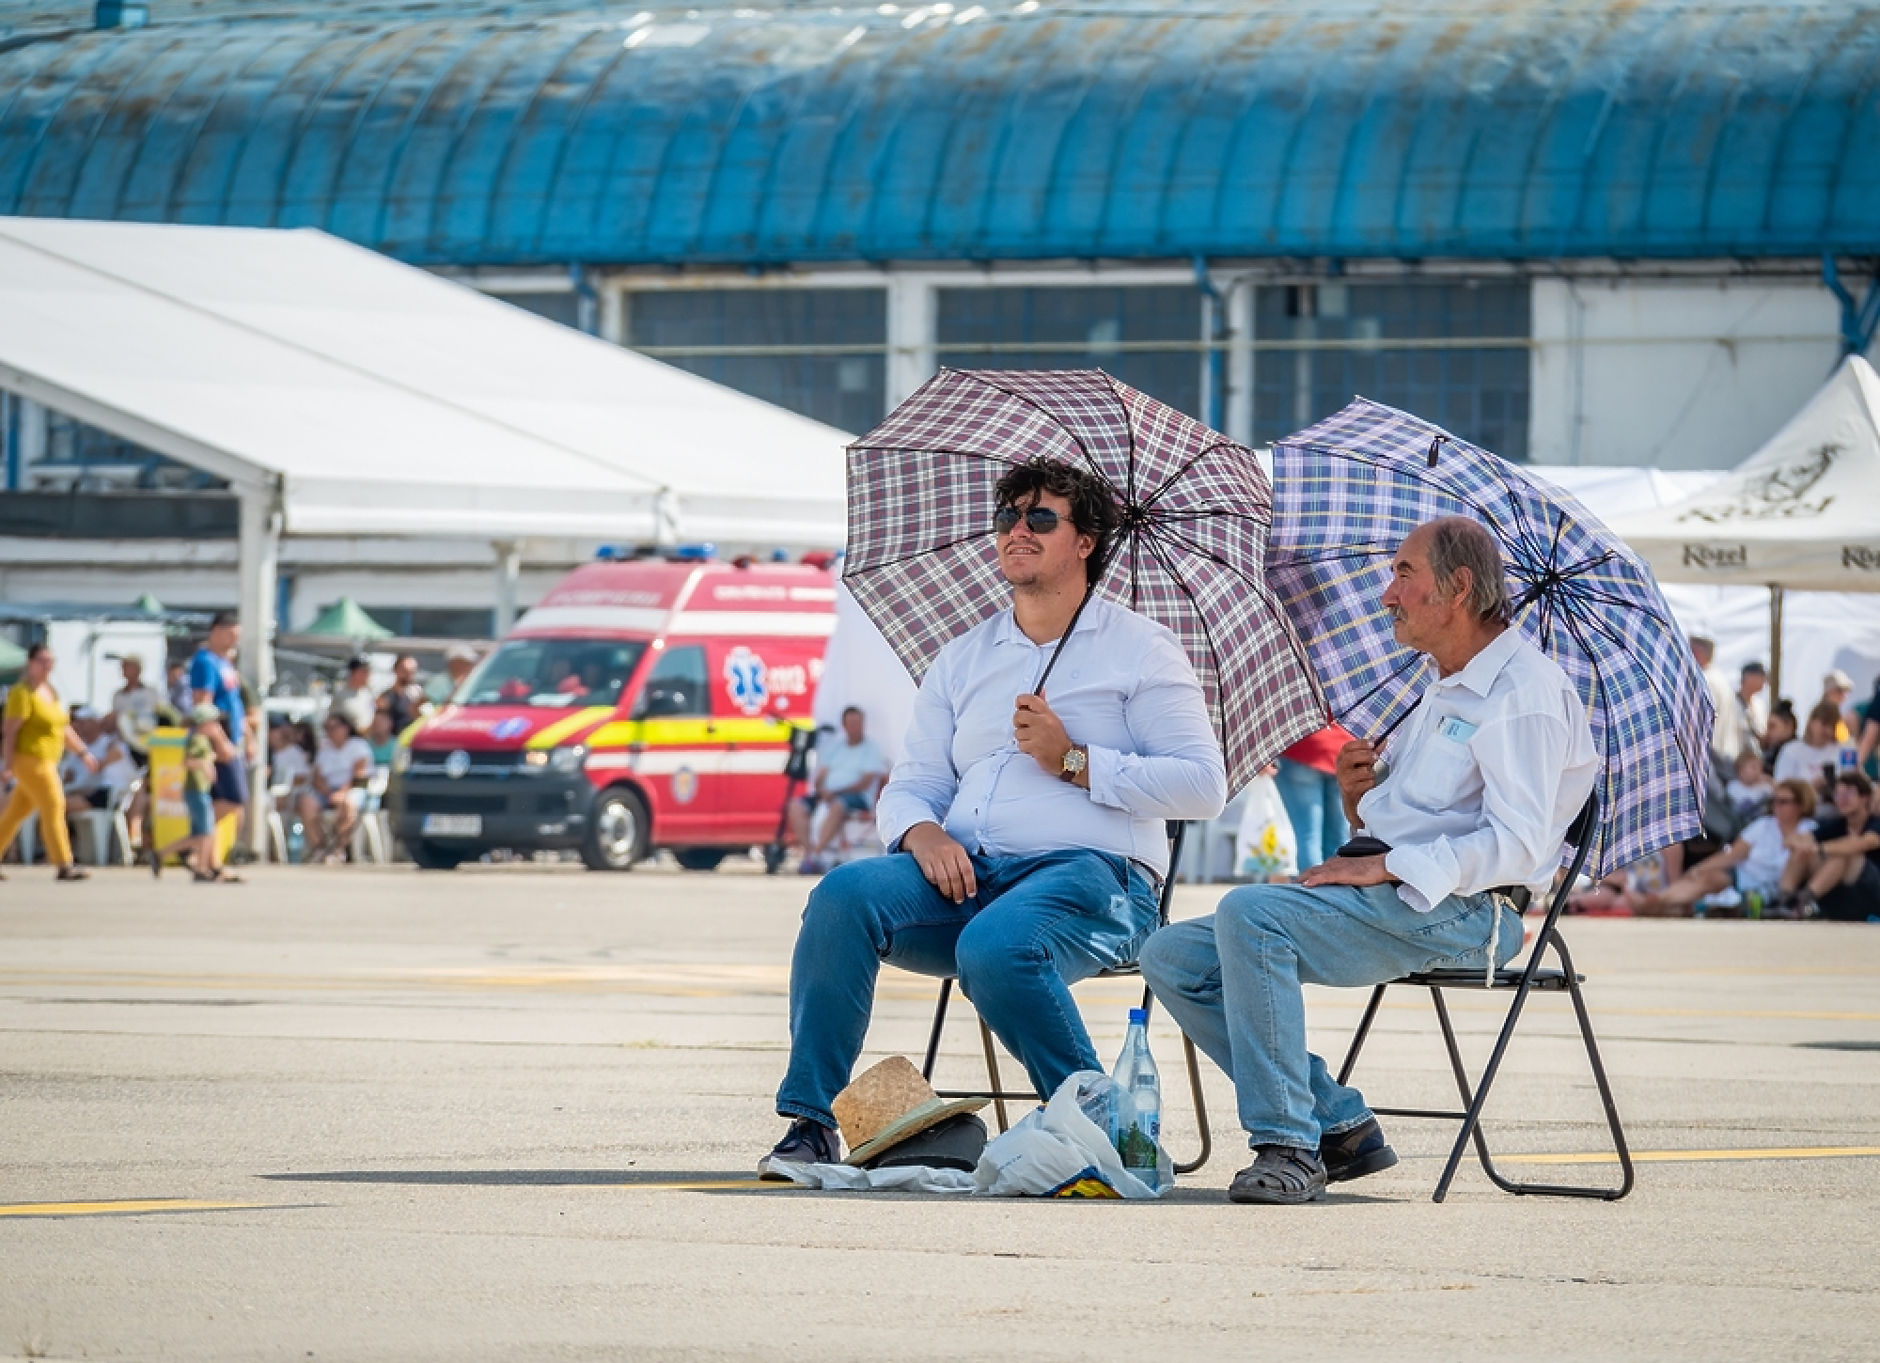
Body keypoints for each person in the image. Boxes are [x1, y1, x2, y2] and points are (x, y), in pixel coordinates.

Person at [758, 456, 1227, 1176]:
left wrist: (1074, 759)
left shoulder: (1140, 649)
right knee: (842, 896)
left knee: (996, 945)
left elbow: (1203, 787)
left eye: (1042, 517)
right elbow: (913, 779)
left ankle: (1104, 1128)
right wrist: (922, 831)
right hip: (970, 874)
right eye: (1008, 515)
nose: (1018, 529)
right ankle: (812, 1123)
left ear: (1087, 541)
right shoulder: (964, 656)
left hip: (1094, 877)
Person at [1141, 516, 1597, 1205]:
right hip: (1406, 897)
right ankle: (1338, 1123)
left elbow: (1523, 845)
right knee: (1171, 954)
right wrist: (1361, 799)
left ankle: (1289, 1143)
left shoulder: (1523, 694)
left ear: (1459, 588)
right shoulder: (1438, 687)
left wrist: (1387, 864)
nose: (1387, 594)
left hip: (1472, 913)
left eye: (1404, 574)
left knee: (1251, 914)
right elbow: (1406, 819)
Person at [1629, 778, 1816, 916]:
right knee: (1707, 878)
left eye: (1784, 801)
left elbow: (1809, 854)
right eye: (1775, 801)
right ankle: (1658, 903)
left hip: (1769, 888)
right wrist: (1698, 868)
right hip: (1741, 877)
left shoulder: (1809, 829)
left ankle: (1653, 906)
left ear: (1801, 805)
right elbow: (1732, 855)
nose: (1777, 806)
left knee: (1701, 891)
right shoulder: (1764, 825)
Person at [0, 643, 100, 881]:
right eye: (43, 661)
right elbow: (10, 731)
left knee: (16, 812)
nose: (48, 666)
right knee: (54, 805)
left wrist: (83, 752)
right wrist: (8, 764)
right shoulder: (22, 693)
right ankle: (64, 863)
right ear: (31, 664)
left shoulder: (51, 692)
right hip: (30, 759)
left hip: (49, 759)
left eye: (50, 662)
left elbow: (63, 728)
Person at [789, 706, 887, 874]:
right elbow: (820, 776)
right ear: (844, 725)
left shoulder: (871, 749)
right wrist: (821, 791)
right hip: (828, 794)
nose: (855, 727)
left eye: (858, 722)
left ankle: (816, 855)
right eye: (851, 723)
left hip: (856, 797)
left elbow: (865, 782)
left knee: (838, 805)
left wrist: (834, 792)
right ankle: (810, 852)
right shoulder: (835, 747)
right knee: (795, 806)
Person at [190, 612, 250, 880]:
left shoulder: (224, 662)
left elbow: (234, 703)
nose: (233, 641)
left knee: (224, 801)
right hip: (218, 741)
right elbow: (203, 708)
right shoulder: (204, 662)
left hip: (231, 737)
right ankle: (195, 844)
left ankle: (210, 861)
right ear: (215, 631)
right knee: (234, 800)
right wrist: (220, 741)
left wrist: (248, 736)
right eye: (230, 635)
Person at [148, 703, 234, 881]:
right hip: (196, 790)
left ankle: (162, 854)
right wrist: (205, 765)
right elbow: (188, 761)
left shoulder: (199, 739)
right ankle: (201, 868)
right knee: (205, 832)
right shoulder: (197, 739)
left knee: (200, 833)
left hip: (198, 790)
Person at [1786, 771, 1880, 922]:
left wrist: (1819, 848)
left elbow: (1864, 843)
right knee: (1802, 852)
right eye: (1838, 795)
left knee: (1846, 853)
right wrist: (1803, 846)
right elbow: (1792, 840)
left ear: (1864, 797)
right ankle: (1785, 901)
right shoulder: (1836, 824)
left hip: (1872, 891)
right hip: (1844, 893)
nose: (1841, 800)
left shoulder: (1875, 822)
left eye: (1847, 794)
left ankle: (1803, 901)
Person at [1272, 724, 1354, 870]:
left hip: (1301, 746)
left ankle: (1311, 890)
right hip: (1342, 749)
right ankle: (1336, 891)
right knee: (1340, 838)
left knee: (1307, 836)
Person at [298, 713, 372, 863]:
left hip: (353, 788)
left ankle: (339, 849)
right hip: (327, 790)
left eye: (334, 727)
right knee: (306, 802)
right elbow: (317, 776)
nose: (330, 731)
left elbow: (359, 774)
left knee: (347, 804)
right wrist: (328, 792)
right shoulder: (325, 749)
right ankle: (320, 848)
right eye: (327, 728)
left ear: (345, 728)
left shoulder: (358, 746)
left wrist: (342, 792)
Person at [1772, 701, 1843, 802]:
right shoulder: (1791, 750)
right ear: (1811, 722)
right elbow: (1781, 788)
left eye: (1832, 726)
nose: (1828, 731)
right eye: (1824, 724)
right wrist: (1811, 787)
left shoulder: (1841, 750)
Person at [1691, 635, 1743, 766]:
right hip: (1725, 751)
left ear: (1698, 652)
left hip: (1714, 754)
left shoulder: (1706, 680)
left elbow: (1700, 719)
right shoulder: (1720, 678)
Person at [1725, 747, 1774, 825]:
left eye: (1760, 768)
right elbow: (1746, 805)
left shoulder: (1763, 786)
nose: (1758, 771)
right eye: (1753, 768)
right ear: (1741, 772)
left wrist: (1770, 782)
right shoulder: (1733, 787)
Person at [382, 654, 430, 732]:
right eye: (405, 671)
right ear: (395, 670)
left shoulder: (419, 694)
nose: (408, 675)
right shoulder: (385, 697)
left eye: (412, 672)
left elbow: (428, 717)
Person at [333, 657, 377, 734]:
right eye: (364, 671)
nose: (368, 675)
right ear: (353, 672)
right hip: (350, 741)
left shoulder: (368, 693)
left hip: (369, 741)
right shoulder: (340, 696)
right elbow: (333, 722)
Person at [1736, 661, 1769, 752]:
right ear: (1749, 677)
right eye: (1761, 677)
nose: (1764, 682)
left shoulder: (1759, 704)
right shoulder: (1730, 703)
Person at [1819, 669, 1855, 743]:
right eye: (1839, 690)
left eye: (1846, 689)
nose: (1843, 694)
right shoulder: (1821, 713)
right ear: (1828, 692)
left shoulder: (1841, 712)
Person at [1763, 700, 1798, 775]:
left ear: (1788, 727)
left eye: (1772, 727)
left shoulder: (1799, 753)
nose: (1768, 732)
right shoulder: (1770, 753)